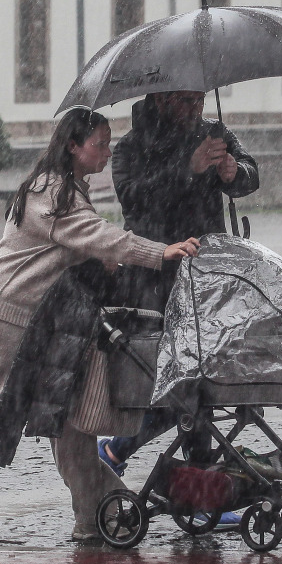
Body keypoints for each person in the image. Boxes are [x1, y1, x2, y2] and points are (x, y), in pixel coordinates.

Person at [0, 108, 199, 541]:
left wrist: (105, 261)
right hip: (4, 317)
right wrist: (159, 252)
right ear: (73, 146)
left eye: (109, 141)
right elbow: (96, 234)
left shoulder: (65, 189)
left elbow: (80, 244)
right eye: (100, 142)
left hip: (25, 318)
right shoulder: (52, 190)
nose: (108, 150)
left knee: (69, 416)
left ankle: (99, 512)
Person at [97, 89, 259, 480]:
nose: (196, 108)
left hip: (208, 274)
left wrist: (234, 172)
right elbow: (135, 200)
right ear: (163, 98)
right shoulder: (133, 146)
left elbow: (252, 174)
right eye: (186, 100)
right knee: (175, 379)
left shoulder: (214, 133)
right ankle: (198, 481)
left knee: (201, 377)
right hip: (154, 276)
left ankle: (129, 450)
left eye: (200, 99)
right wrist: (188, 168)